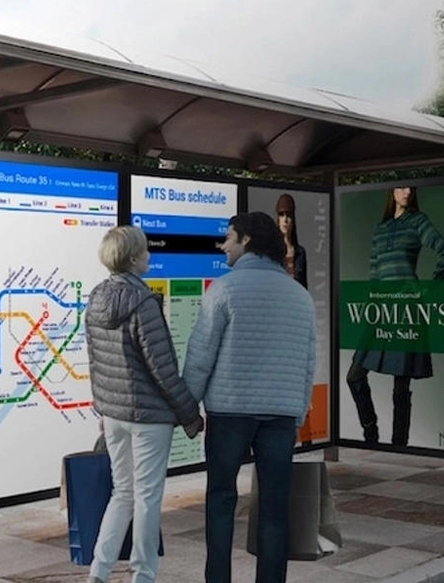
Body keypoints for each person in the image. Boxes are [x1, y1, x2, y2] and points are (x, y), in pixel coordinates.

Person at [183, 212, 316, 583]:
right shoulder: (299, 296)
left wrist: (186, 406)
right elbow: (308, 360)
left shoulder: (224, 290)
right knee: (274, 508)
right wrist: (299, 409)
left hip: (229, 412)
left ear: (247, 241)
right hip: (280, 415)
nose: (223, 245)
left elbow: (200, 356)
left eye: (229, 238)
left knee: (221, 499)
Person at [84, 225, 204, 583]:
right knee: (148, 497)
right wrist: (189, 416)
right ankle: (143, 575)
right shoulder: (143, 303)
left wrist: (103, 407)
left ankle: (98, 572)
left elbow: (94, 360)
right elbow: (163, 369)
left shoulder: (95, 298)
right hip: (149, 417)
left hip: (115, 414)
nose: (150, 256)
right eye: (146, 251)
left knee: (123, 493)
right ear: (135, 258)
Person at [346, 186, 444, 445]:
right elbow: (374, 274)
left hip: (406, 310)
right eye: (400, 187)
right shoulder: (381, 229)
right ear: (391, 193)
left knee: (401, 385)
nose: (406, 192)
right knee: (354, 375)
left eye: (410, 188)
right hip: (382, 309)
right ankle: (370, 432)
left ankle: (399, 443)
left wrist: (427, 289)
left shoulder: (418, 221)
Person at [275, 193, 307, 288]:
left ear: (293, 220)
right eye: (281, 215)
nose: (285, 220)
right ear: (278, 219)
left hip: (296, 300)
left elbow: (304, 286)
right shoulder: (272, 250)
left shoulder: (300, 252)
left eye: (288, 215)